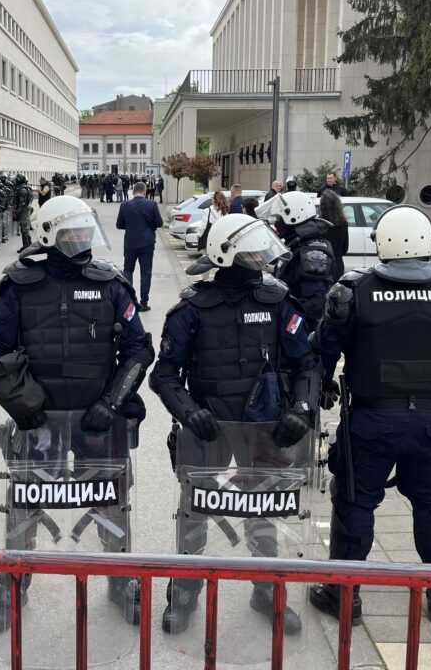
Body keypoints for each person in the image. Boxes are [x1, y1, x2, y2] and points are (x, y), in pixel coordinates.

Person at [0, 195, 154, 632]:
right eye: (71, 234)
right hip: (39, 421)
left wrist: (112, 403)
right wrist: (22, 406)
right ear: (48, 236)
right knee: (24, 501)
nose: (81, 240)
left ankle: (120, 579)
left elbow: (138, 349)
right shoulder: (19, 285)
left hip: (99, 418)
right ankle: (14, 582)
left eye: (84, 232)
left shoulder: (111, 283)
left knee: (112, 501)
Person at [309, 205, 431, 626]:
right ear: (428, 241)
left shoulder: (355, 290)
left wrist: (324, 385)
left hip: (371, 420)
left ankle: (343, 595)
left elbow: (324, 347)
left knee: (355, 503)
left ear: (381, 242)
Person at [150, 213, 323, 635]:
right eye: (252, 253)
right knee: (194, 509)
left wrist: (302, 409)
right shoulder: (192, 308)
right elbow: (164, 374)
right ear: (227, 255)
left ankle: (267, 589)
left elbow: (307, 364)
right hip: (208, 426)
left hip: (264, 426)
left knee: (264, 507)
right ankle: (185, 589)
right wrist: (188, 412)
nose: (262, 259)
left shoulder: (278, 301)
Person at [270, 191, 335, 332]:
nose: (277, 223)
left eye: (279, 218)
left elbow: (314, 305)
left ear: (294, 217)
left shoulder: (313, 253)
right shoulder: (297, 244)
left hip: (300, 329)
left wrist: (290, 330)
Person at [116, 182, 164, 312]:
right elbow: (159, 223)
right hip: (147, 243)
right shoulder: (152, 204)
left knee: (128, 270)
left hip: (130, 243)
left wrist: (131, 225)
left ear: (133, 192)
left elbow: (119, 225)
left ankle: (129, 301)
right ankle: (144, 303)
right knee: (146, 272)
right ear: (144, 191)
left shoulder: (125, 205)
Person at [319, 189, 350, 282]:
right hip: (338, 266)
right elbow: (345, 249)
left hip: (321, 266)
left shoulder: (319, 224)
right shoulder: (343, 224)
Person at [196, 188, 230, 253]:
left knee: (207, 256)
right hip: (221, 240)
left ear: (214, 200)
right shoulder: (225, 212)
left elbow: (203, 226)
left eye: (212, 198)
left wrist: (199, 235)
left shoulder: (208, 211)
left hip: (209, 239)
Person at [12, 174, 34, 252]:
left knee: (24, 228)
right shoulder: (25, 188)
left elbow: (22, 203)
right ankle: (27, 245)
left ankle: (26, 247)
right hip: (24, 209)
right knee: (24, 228)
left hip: (23, 210)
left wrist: (17, 213)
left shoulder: (22, 190)